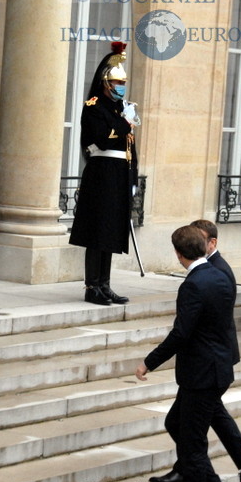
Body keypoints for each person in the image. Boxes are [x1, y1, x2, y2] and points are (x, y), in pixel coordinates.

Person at [136, 225, 241, 482]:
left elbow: (181, 333)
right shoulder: (220, 275)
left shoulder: (193, 284)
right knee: (177, 426)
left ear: (178, 254)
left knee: (192, 448)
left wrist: (149, 362)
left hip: (201, 376)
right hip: (216, 370)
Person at [69, 41, 139, 306]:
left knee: (110, 231)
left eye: (123, 82)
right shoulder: (95, 106)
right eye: (117, 82)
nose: (121, 86)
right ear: (106, 83)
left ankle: (105, 283)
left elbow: (129, 147)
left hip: (119, 172)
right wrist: (124, 125)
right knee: (97, 231)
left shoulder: (120, 108)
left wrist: (132, 177)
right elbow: (102, 137)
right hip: (102, 172)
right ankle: (92, 285)